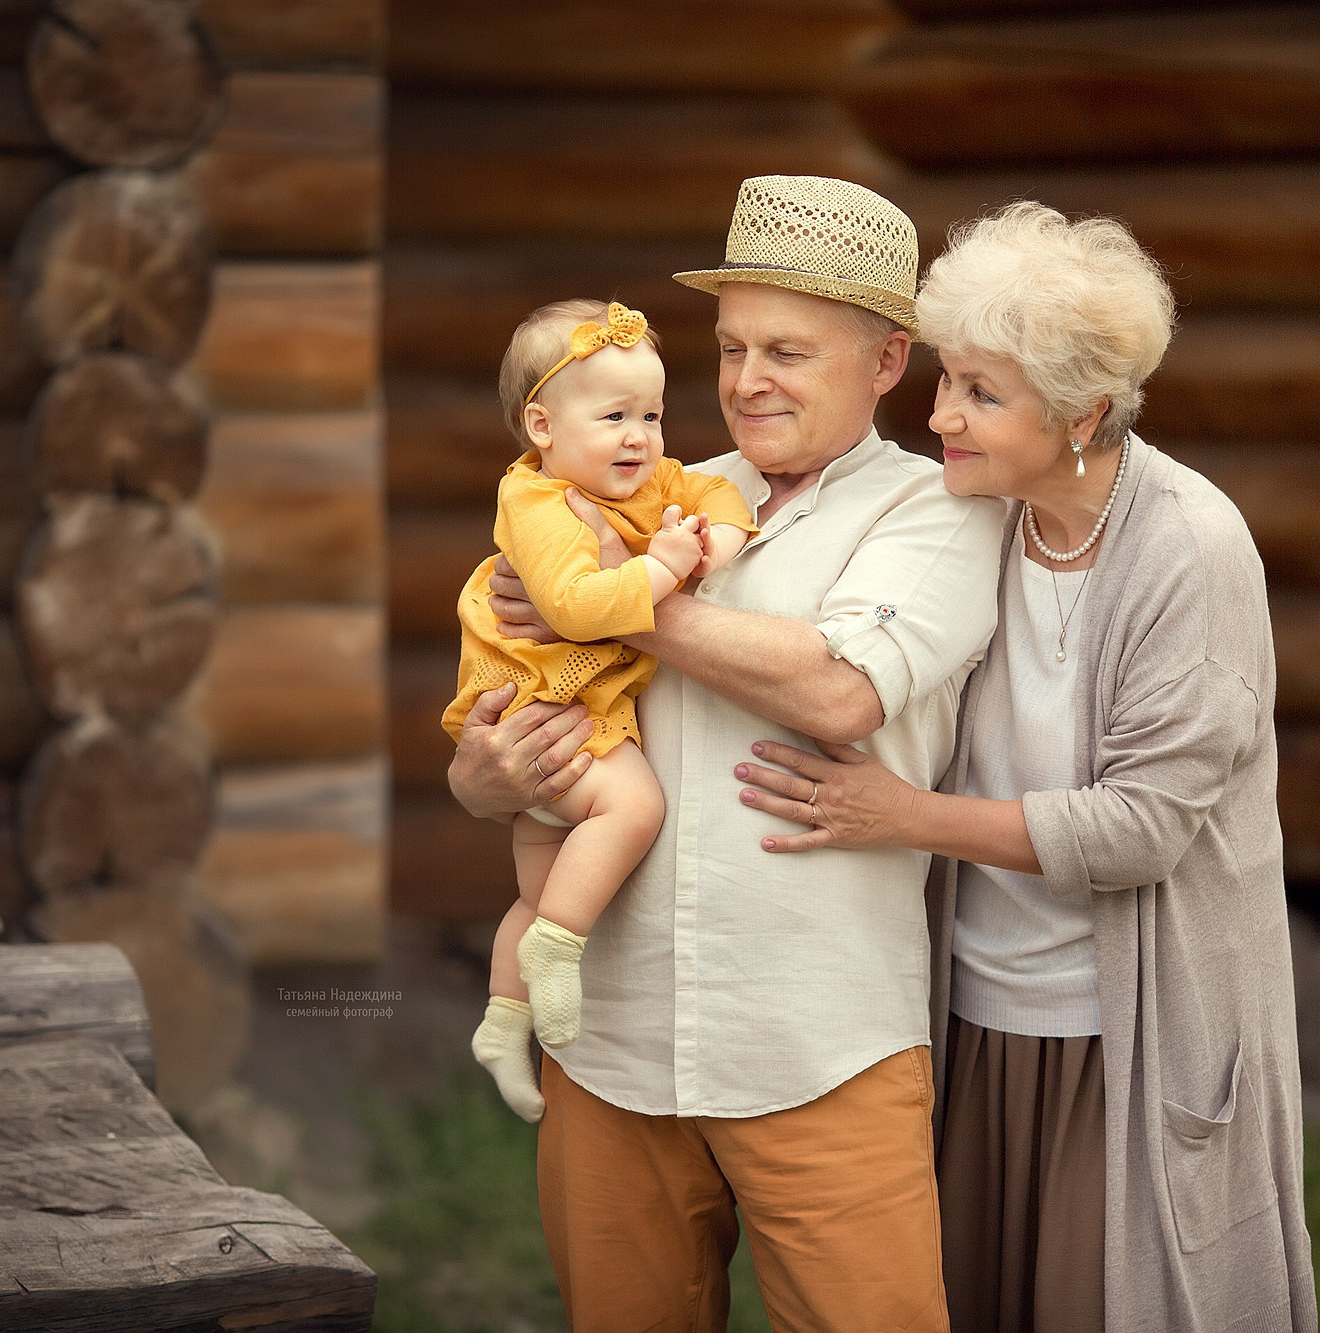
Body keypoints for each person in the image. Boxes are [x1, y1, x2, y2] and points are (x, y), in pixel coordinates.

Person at [732, 201, 1317, 1331]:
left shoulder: (1188, 547)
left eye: (981, 394)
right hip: (977, 1022)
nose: (940, 415)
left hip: (1126, 1038)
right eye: (947, 380)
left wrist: (904, 815)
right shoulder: (981, 519)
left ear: (1080, 412)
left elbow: (1137, 830)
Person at [447, 175, 1005, 1330]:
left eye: (788, 352)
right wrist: (482, 775)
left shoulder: (932, 508)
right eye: (732, 346)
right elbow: (509, 705)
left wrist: (605, 604)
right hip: (609, 1038)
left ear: (887, 362)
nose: (748, 382)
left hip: (818, 1039)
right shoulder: (658, 495)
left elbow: (840, 688)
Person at [446, 298, 757, 1123]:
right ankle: (559, 948)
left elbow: (719, 491)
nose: (640, 436)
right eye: (614, 415)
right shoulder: (539, 504)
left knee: (538, 887)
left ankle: (504, 1026)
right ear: (542, 425)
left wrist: (714, 545)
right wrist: (662, 568)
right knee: (635, 804)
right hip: (553, 702)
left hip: (571, 710)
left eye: (652, 414)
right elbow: (580, 609)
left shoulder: (648, 479)